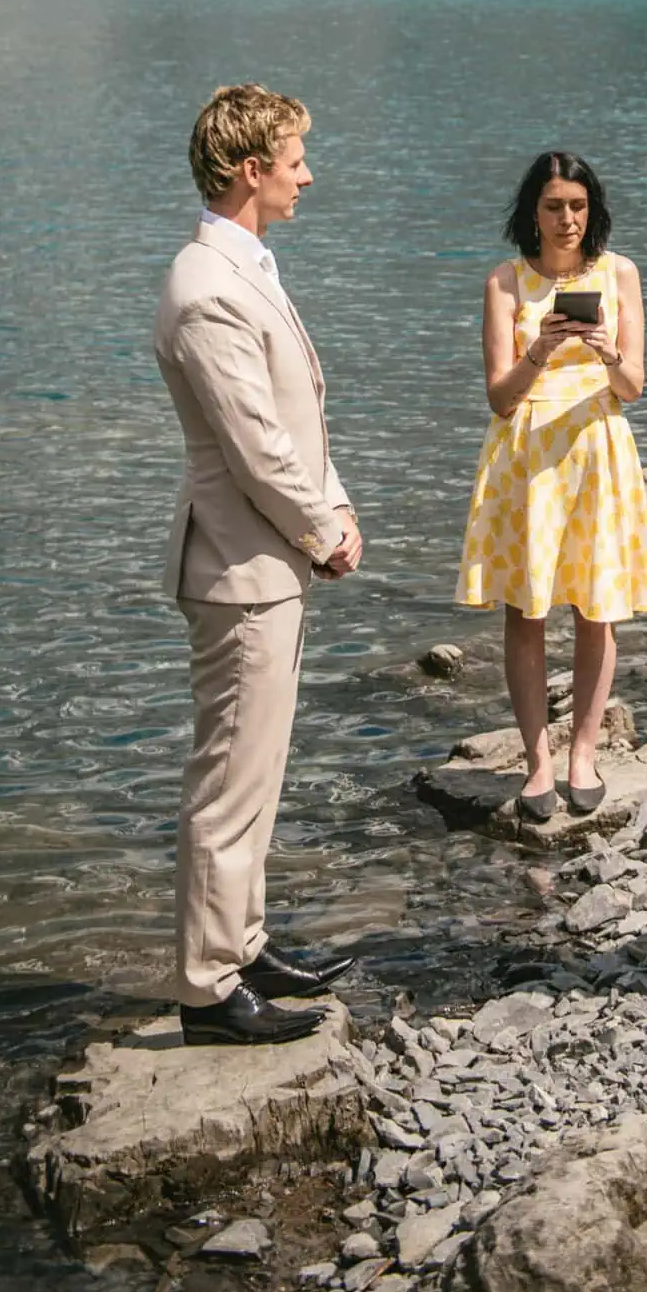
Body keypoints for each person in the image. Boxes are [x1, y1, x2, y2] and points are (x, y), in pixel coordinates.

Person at [153, 83, 363, 1047]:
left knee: (258, 768)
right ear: (249, 170)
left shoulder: (245, 269)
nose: (307, 175)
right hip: (241, 567)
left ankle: (242, 943)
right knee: (230, 778)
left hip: (264, 559)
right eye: (293, 160)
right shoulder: (204, 288)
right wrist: (323, 529)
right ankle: (205, 986)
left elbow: (293, 416)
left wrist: (335, 507)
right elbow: (254, 446)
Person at [457, 150, 647, 820]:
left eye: (577, 205)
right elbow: (500, 399)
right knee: (528, 608)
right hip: (529, 454)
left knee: (598, 604)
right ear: (531, 213)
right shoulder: (505, 284)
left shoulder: (620, 272)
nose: (568, 219)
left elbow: (632, 389)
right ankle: (537, 761)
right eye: (553, 206)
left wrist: (603, 347)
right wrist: (539, 347)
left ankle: (585, 753)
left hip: (596, 444)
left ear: (591, 208)